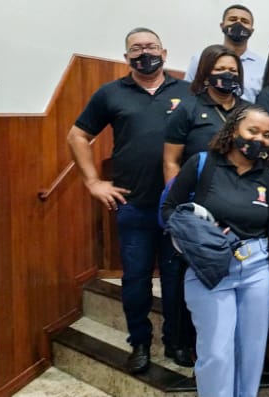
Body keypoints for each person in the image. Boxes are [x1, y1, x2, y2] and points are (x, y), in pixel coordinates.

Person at [67, 27, 192, 374]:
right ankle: (139, 342)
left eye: (150, 46)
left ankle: (176, 342)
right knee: (136, 279)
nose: (144, 53)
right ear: (126, 58)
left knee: (175, 279)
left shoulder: (186, 91)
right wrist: (93, 182)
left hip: (178, 208)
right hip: (133, 206)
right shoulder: (110, 94)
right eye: (136, 49)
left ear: (164, 53)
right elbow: (77, 135)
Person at [160, 105, 269, 397]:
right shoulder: (202, 164)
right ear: (234, 131)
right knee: (217, 353)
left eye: (267, 135)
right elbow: (168, 210)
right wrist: (197, 233)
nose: (259, 139)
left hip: (257, 269)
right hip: (210, 268)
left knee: (250, 354)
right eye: (252, 131)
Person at [164, 44, 248, 181]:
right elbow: (171, 162)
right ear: (206, 74)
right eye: (220, 69)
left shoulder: (249, 111)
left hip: (239, 189)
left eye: (233, 70)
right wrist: (173, 198)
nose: (227, 74)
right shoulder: (187, 108)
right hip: (195, 190)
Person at [185, 4, 266, 102]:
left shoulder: (263, 66)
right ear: (222, 25)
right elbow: (187, 92)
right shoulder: (201, 58)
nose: (238, 24)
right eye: (232, 19)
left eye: (245, 21)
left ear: (251, 30)